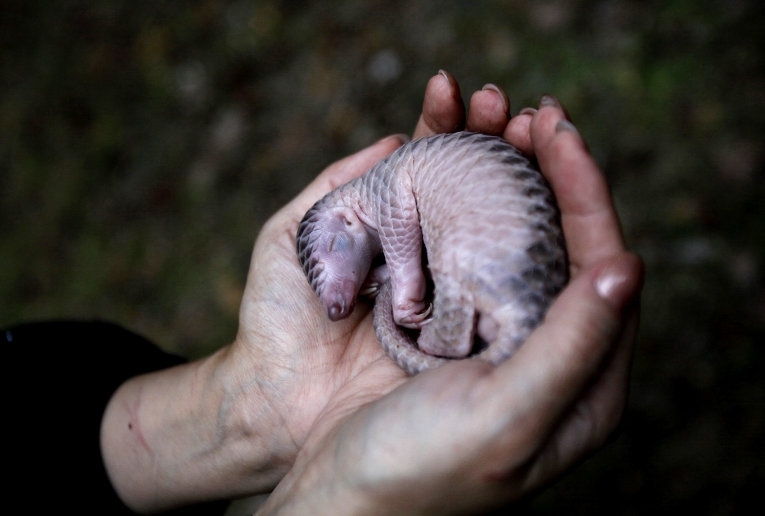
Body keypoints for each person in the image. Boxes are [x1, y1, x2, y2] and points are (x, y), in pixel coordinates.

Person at [5, 71, 643, 515]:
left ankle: (456, 334)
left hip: (494, 245)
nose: (337, 302)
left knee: (456, 276)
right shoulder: (386, 208)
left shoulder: (385, 192)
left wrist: (400, 295)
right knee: (461, 279)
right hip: (493, 247)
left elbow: (402, 248)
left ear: (341, 220)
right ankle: (458, 334)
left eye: (333, 270)